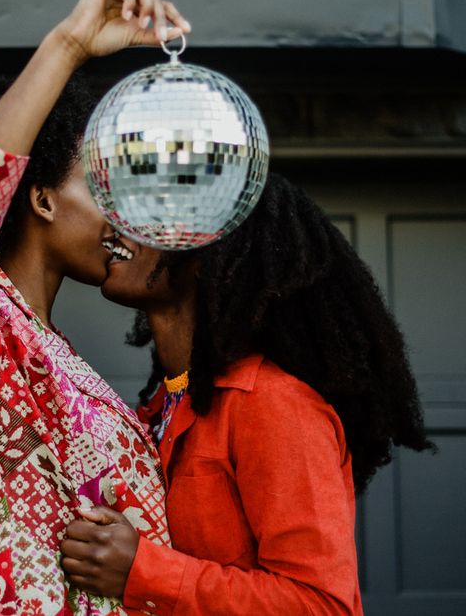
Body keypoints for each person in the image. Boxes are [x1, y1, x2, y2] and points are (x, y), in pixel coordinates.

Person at [0, 0, 192, 614]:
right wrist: (68, 45)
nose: (120, 211)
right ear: (40, 198)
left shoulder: (49, 348)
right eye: (99, 183)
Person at [60, 173, 433, 615]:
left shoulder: (271, 402)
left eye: (151, 217)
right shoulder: (164, 404)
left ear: (206, 254)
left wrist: (143, 571)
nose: (121, 221)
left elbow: (321, 605)